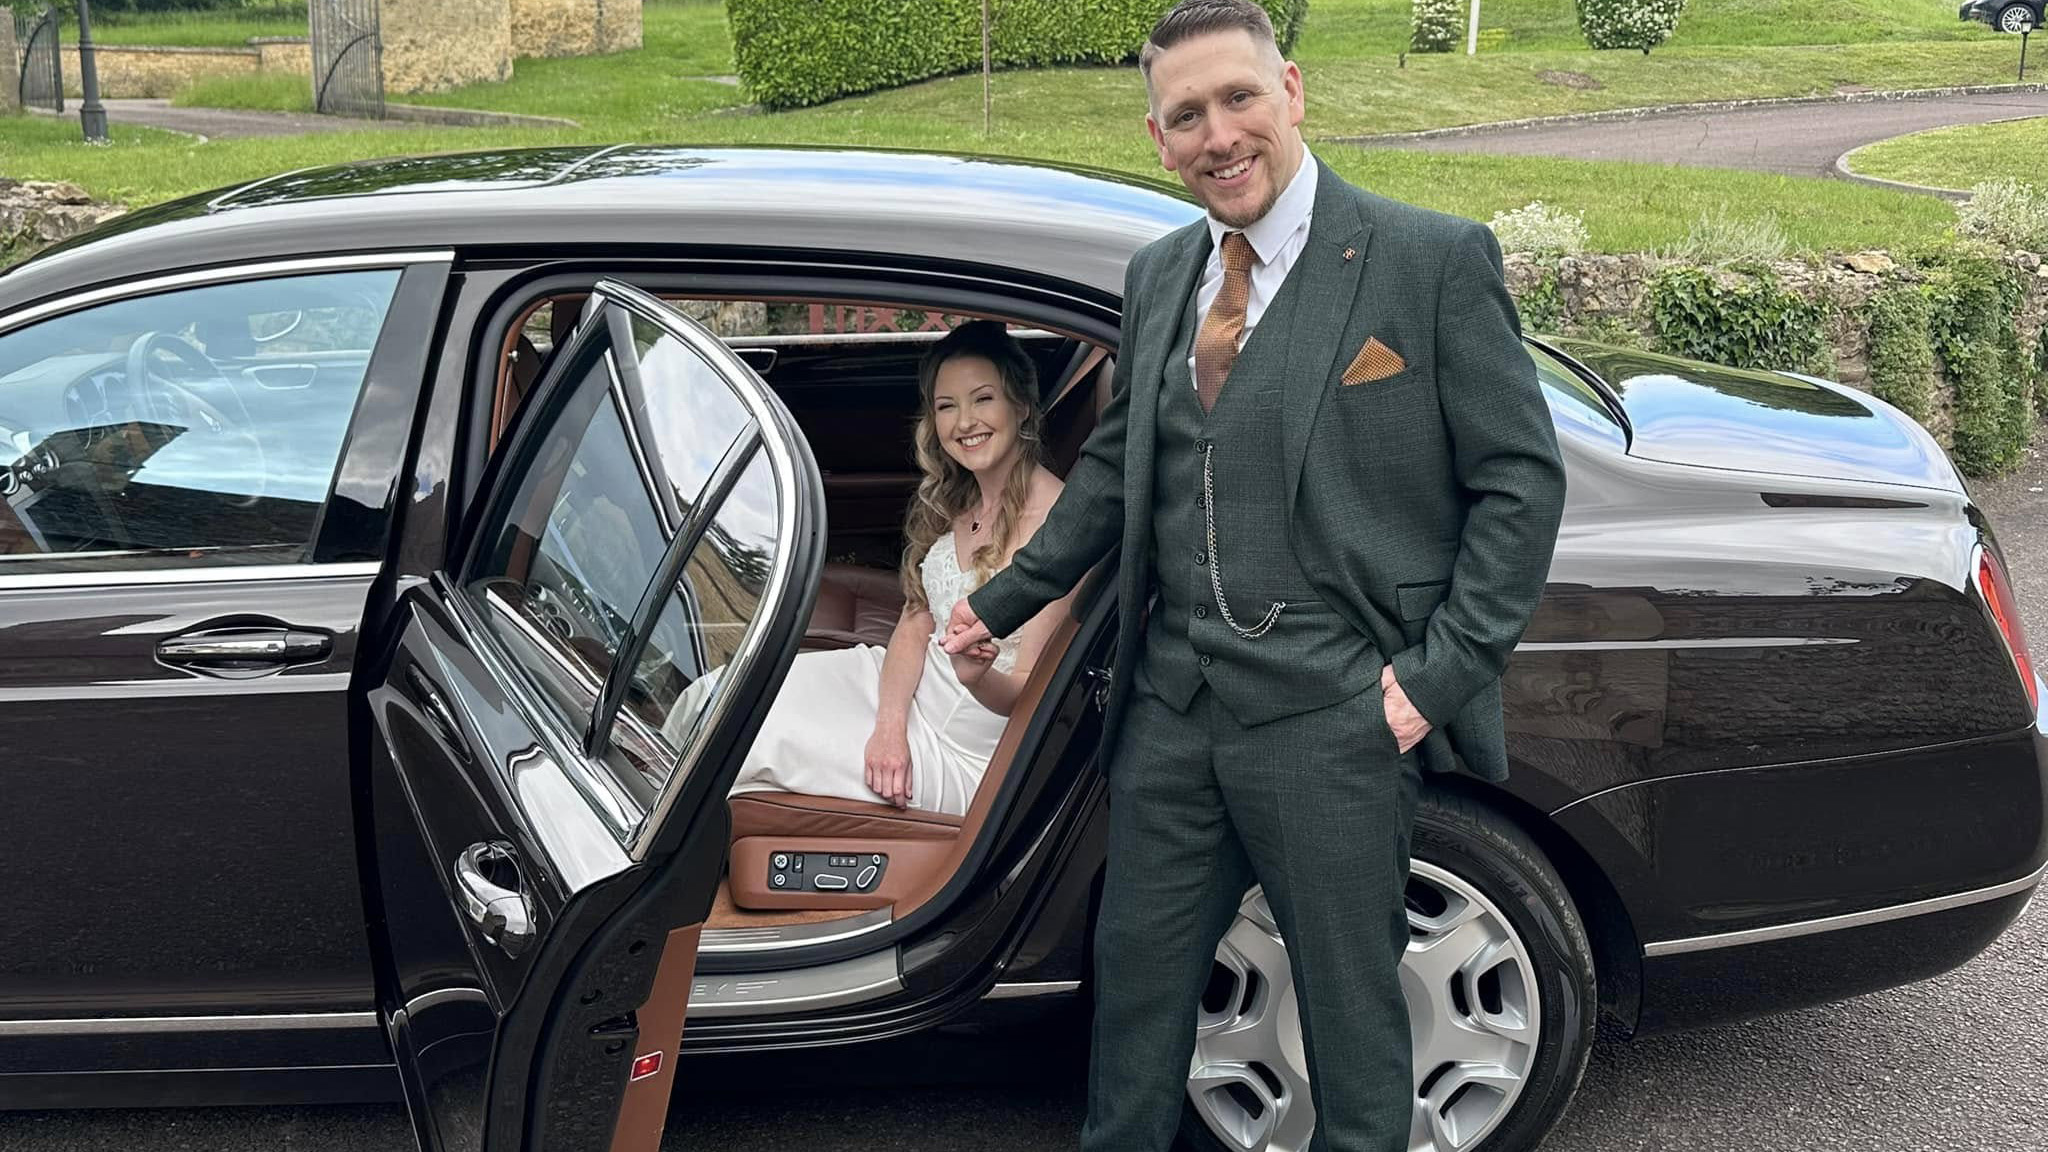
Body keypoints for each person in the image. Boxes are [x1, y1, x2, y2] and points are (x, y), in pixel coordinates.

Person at [940, 2, 1566, 1148]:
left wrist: (1434, 677)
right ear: (1155, 137)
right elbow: (1123, 472)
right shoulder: (1159, 272)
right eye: (1187, 116)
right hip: (1172, 710)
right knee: (1131, 1005)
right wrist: (999, 602)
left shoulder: (1427, 261)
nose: (1218, 134)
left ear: (1290, 91)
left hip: (1333, 711)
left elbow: (1520, 486)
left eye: (1237, 99)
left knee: (1349, 1018)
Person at [724, 320, 1069, 816]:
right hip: (900, 694)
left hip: (960, 750)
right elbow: (915, 619)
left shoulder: (1058, 530)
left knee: (758, 738)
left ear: (1022, 405)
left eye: (983, 399)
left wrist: (975, 677)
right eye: (947, 406)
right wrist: (889, 725)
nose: (964, 422)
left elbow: (1028, 694)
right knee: (727, 696)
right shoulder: (961, 498)